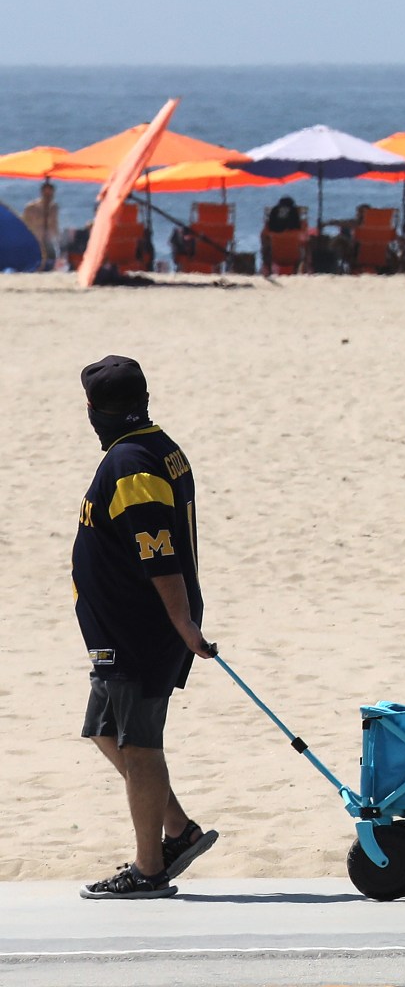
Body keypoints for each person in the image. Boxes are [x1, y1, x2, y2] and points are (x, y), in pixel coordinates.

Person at [72, 356, 220, 899]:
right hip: (120, 630)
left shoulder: (132, 463)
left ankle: (149, 869)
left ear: (93, 411)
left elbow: (158, 550)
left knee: (139, 746)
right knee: (105, 733)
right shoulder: (159, 447)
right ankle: (177, 829)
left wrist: (182, 623)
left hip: (141, 630)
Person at [24, 180, 60, 269]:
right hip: (34, 241)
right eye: (46, 194)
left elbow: (54, 224)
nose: (49, 197)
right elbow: (24, 224)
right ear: (41, 193)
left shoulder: (54, 207)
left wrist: (59, 239)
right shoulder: (31, 207)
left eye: (50, 195)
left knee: (51, 263)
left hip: (48, 242)